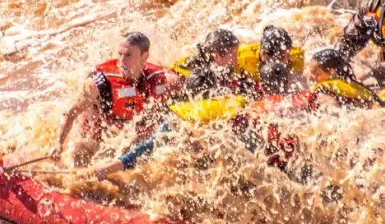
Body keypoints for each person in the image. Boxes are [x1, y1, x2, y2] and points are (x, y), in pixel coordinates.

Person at [53, 31, 174, 166]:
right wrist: (59, 144)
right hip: (98, 132)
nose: (121, 61)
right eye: (119, 54)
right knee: (80, 152)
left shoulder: (162, 80)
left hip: (132, 132)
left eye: (128, 55)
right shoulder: (98, 83)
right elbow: (70, 113)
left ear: (144, 56)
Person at [172, 28, 253, 100]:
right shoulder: (200, 78)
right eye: (233, 55)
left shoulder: (221, 67)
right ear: (217, 56)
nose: (236, 60)